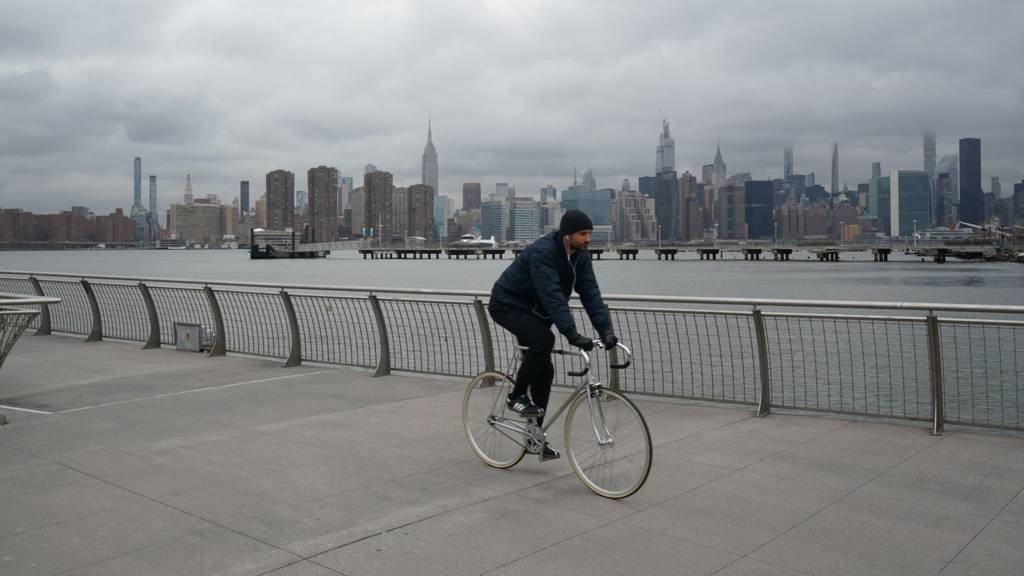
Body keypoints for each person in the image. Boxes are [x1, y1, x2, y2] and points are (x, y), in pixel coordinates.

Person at [488, 209, 617, 460]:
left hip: (536, 313)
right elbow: (553, 295)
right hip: (507, 304)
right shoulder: (543, 252)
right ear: (567, 234)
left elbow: (590, 294)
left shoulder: (580, 257)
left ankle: (534, 438)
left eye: (590, 233)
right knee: (544, 340)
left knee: (545, 371)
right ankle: (516, 396)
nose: (587, 238)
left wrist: (607, 331)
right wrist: (572, 334)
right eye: (583, 234)